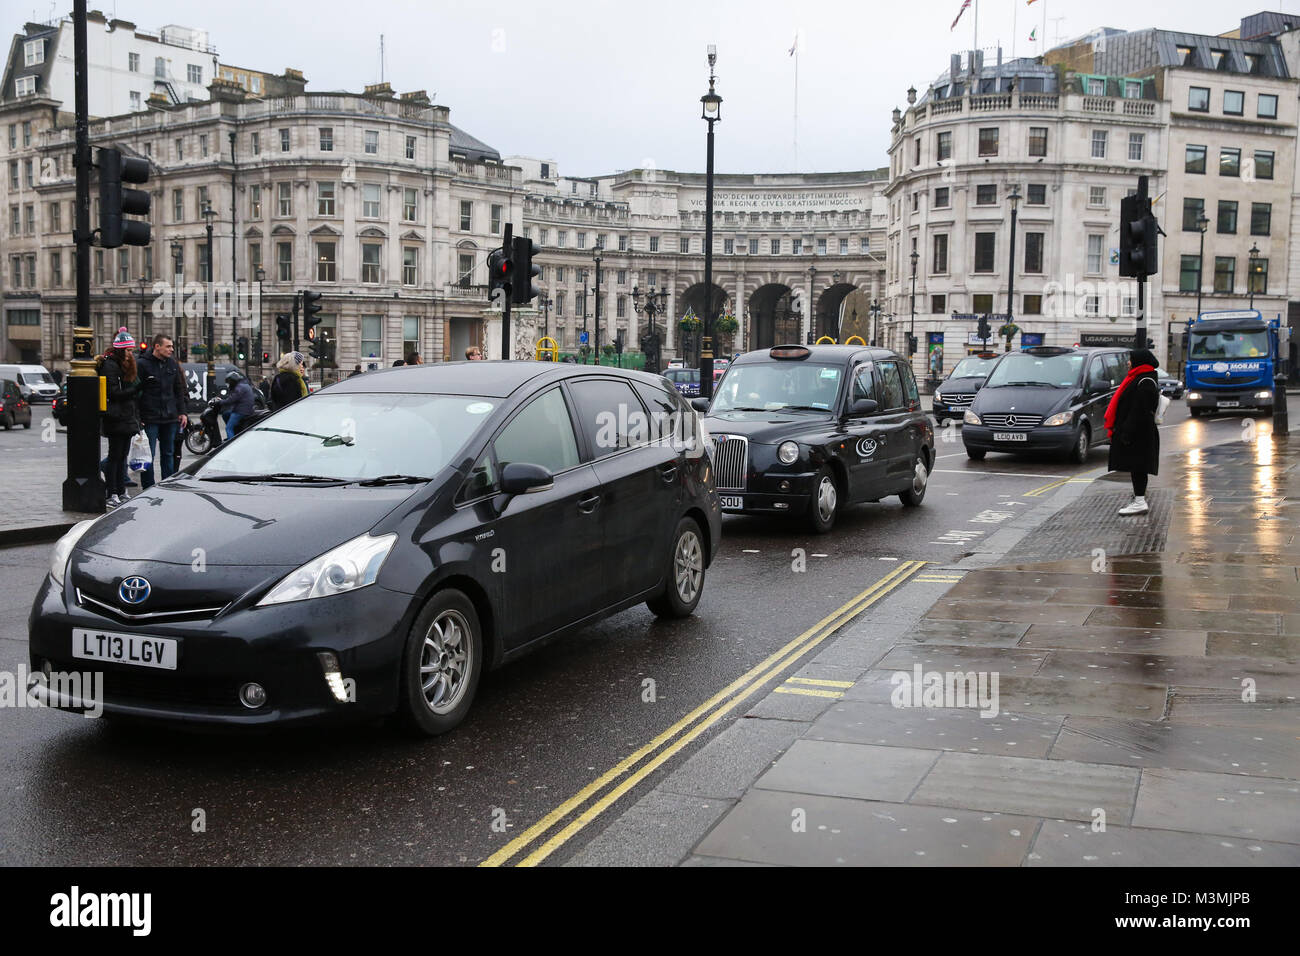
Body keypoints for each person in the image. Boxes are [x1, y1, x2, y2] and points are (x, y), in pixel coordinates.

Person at [1106, 348, 1161, 516]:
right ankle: (1139, 499)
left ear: (1139, 361)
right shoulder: (1139, 378)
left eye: (1130, 359)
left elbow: (1140, 410)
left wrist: (1127, 432)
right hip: (1138, 432)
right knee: (1136, 466)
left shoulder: (1144, 381)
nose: (1128, 362)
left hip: (1139, 434)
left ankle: (1139, 501)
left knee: (1138, 467)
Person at [135, 333, 188, 486]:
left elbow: (178, 390)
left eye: (172, 346)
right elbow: (136, 393)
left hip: (170, 417)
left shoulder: (172, 364)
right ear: (157, 347)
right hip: (150, 417)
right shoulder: (142, 364)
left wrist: (182, 412)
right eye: (168, 346)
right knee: (148, 455)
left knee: (168, 453)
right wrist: (138, 417)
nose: (171, 349)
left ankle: (167, 485)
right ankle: (148, 486)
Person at [100, 328, 142, 508]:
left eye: (131, 350)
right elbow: (115, 393)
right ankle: (112, 492)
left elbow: (130, 395)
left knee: (122, 456)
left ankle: (120, 490)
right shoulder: (110, 366)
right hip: (115, 417)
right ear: (119, 350)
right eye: (128, 350)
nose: (130, 354)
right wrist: (136, 389)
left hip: (126, 416)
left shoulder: (126, 366)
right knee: (115, 456)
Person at [219, 370, 256, 438]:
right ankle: (234, 431)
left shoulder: (239, 388)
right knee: (225, 414)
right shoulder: (243, 385)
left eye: (228, 382)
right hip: (246, 409)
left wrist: (220, 402)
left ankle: (231, 443)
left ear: (232, 381)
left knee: (228, 428)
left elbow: (231, 400)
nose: (227, 384)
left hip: (241, 411)